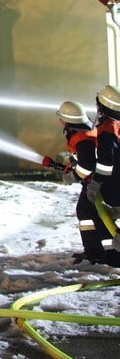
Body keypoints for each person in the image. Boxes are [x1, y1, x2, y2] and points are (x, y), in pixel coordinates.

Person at [54, 101, 118, 264]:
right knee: (88, 213)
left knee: (88, 212)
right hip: (98, 181)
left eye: (61, 118)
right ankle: (99, 252)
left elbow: (87, 166)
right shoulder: (85, 131)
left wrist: (71, 177)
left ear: (67, 120)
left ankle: (105, 254)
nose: (60, 121)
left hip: (96, 183)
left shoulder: (82, 137)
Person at [89, 86, 120, 261]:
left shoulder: (108, 129)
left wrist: (95, 183)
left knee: (99, 214)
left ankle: (114, 256)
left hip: (115, 188)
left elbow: (106, 164)